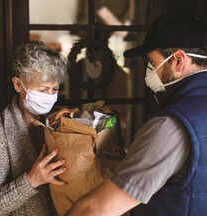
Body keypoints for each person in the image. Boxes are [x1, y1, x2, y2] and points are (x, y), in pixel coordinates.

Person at [66, 8, 207, 216]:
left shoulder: (170, 126)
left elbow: (95, 210)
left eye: (152, 63)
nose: (149, 72)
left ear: (178, 60)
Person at [0, 41, 69, 216]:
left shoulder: (60, 122)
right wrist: (32, 180)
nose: (49, 96)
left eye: (54, 89)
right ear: (18, 85)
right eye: (42, 90)